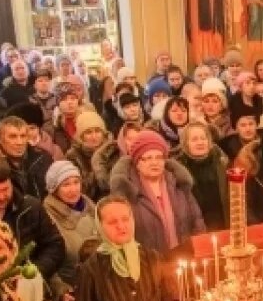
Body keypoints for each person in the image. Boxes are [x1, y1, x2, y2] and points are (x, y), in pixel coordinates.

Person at [110, 131, 205, 261]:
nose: (154, 162)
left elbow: (197, 220)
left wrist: (199, 251)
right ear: (137, 163)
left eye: (159, 157)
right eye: (147, 158)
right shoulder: (126, 192)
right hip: (147, 262)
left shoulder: (179, 183)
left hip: (184, 257)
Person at [0, 157, 66, 284]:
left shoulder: (30, 208)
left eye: (5, 189)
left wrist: (35, 273)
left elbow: (55, 245)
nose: (1, 197)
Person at [43, 160, 100, 294]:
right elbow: (46, 261)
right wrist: (61, 290)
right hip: (74, 291)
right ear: (54, 189)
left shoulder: (92, 208)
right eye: (66, 184)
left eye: (76, 182)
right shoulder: (47, 217)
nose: (73, 189)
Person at [173, 122, 229, 231]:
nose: (200, 142)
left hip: (224, 224)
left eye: (203, 138)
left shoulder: (223, 163)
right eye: (194, 139)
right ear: (186, 144)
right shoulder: (178, 170)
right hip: (195, 228)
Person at [66, 111, 111, 201]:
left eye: (97, 131)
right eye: (88, 132)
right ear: (81, 136)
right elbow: (82, 190)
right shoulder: (74, 156)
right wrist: (97, 165)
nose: (94, 136)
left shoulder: (112, 150)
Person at [46, 82, 85, 156]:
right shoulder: (52, 127)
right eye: (64, 99)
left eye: (73, 98)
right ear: (58, 103)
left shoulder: (87, 121)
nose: (69, 102)